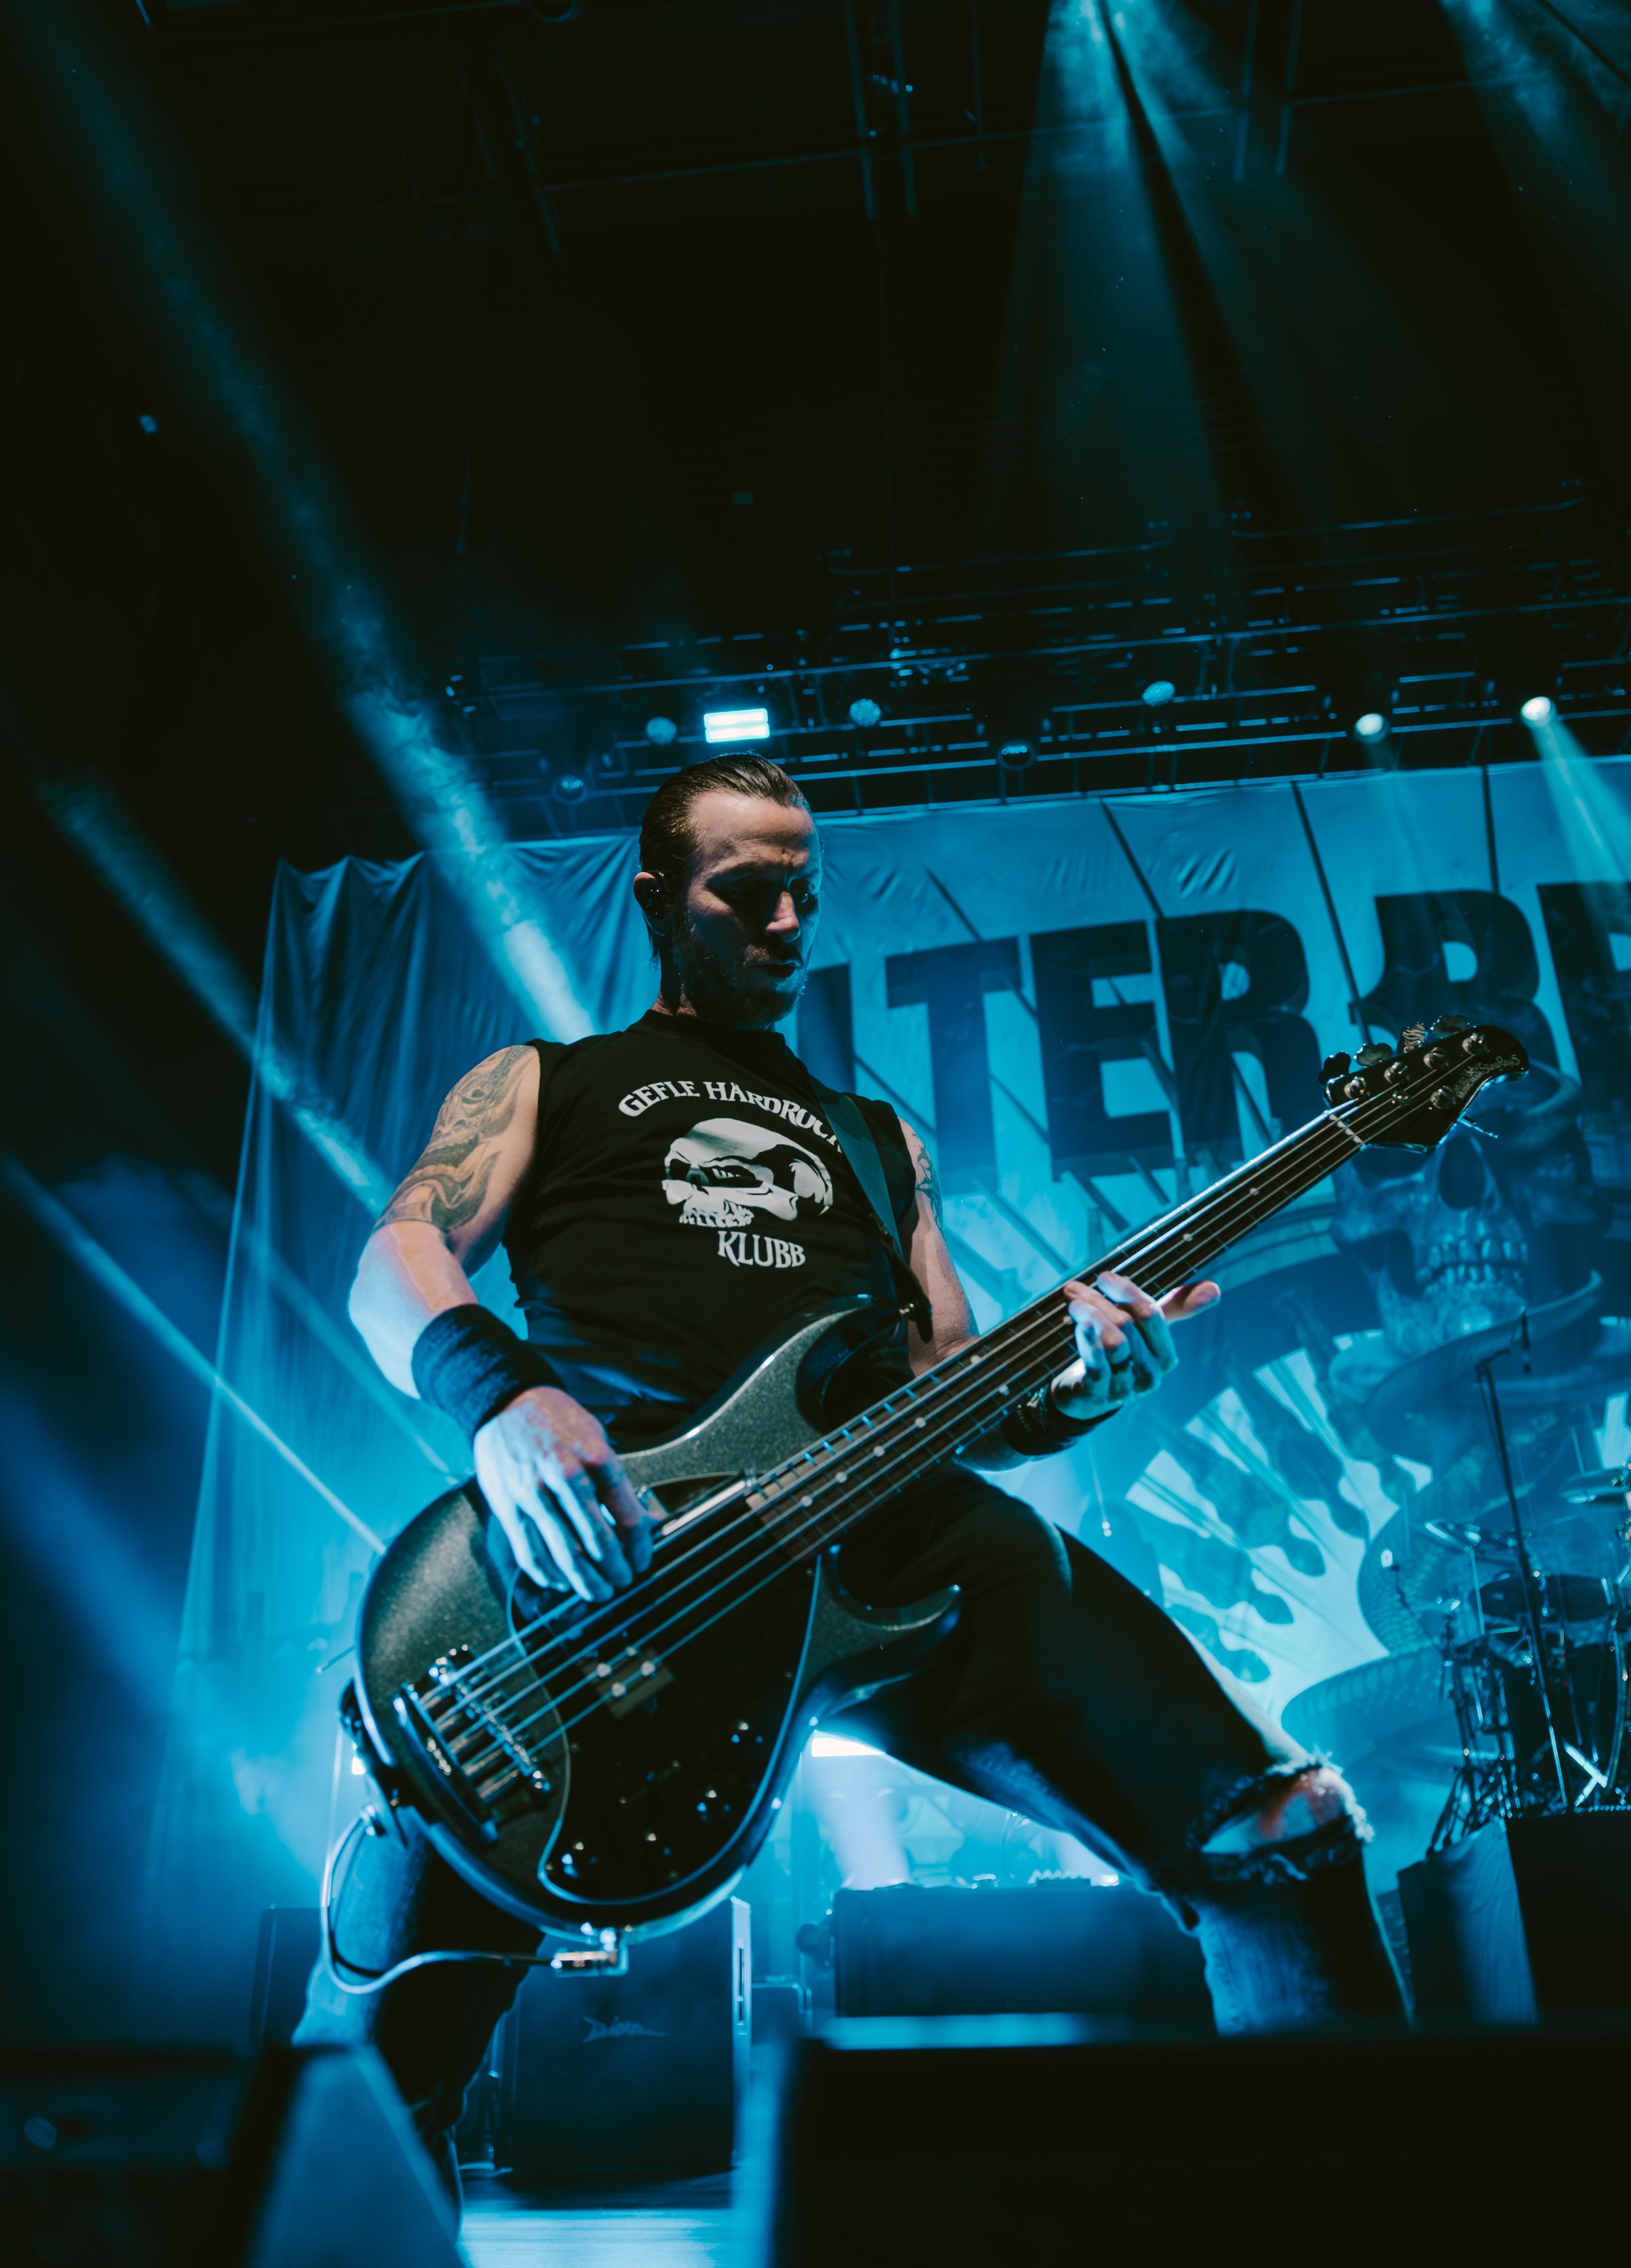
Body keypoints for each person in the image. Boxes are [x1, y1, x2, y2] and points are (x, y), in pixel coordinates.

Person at [299, 753, 1402, 2204]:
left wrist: (1075, 1388)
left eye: (801, 893)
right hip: (611, 1562)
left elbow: (962, 1390)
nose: (784, 920)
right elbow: (393, 1261)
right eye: (745, 890)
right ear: (657, 896)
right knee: (368, 2089)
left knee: (1275, 1829)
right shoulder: (546, 1081)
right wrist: (504, 1401)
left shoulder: (883, 1143)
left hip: (900, 1537)